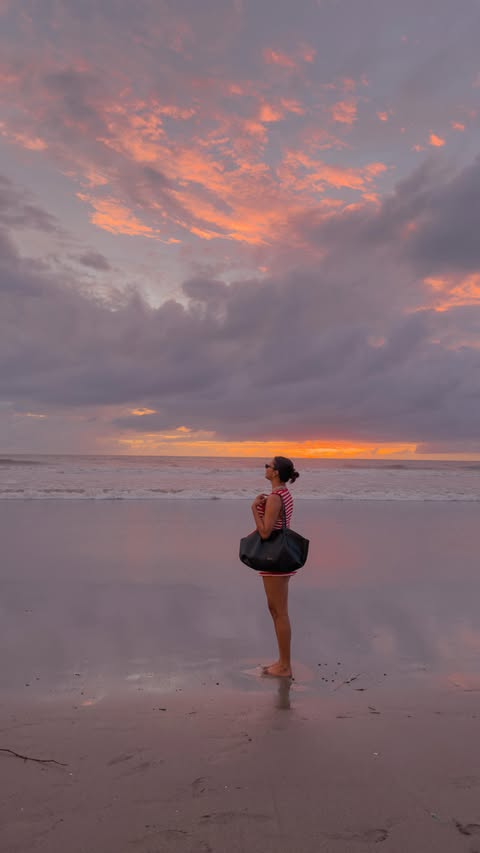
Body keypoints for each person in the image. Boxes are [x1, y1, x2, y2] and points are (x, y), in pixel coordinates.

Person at [251, 456, 300, 678]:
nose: (265, 468)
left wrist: (253, 509)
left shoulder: (275, 497)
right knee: (276, 610)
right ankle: (282, 661)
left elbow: (265, 532)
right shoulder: (282, 494)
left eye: (268, 465)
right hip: (279, 558)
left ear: (276, 472)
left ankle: (285, 666)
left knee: (279, 612)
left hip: (274, 559)